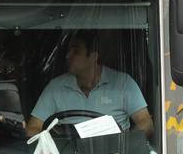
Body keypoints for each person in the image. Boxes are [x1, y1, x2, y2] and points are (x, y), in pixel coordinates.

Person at [26, 33, 154, 138]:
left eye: (75, 51)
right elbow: (32, 128)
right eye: (68, 51)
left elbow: (146, 123)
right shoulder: (56, 87)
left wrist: (126, 144)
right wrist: (52, 147)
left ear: (93, 56)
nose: (67, 56)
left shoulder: (123, 83)